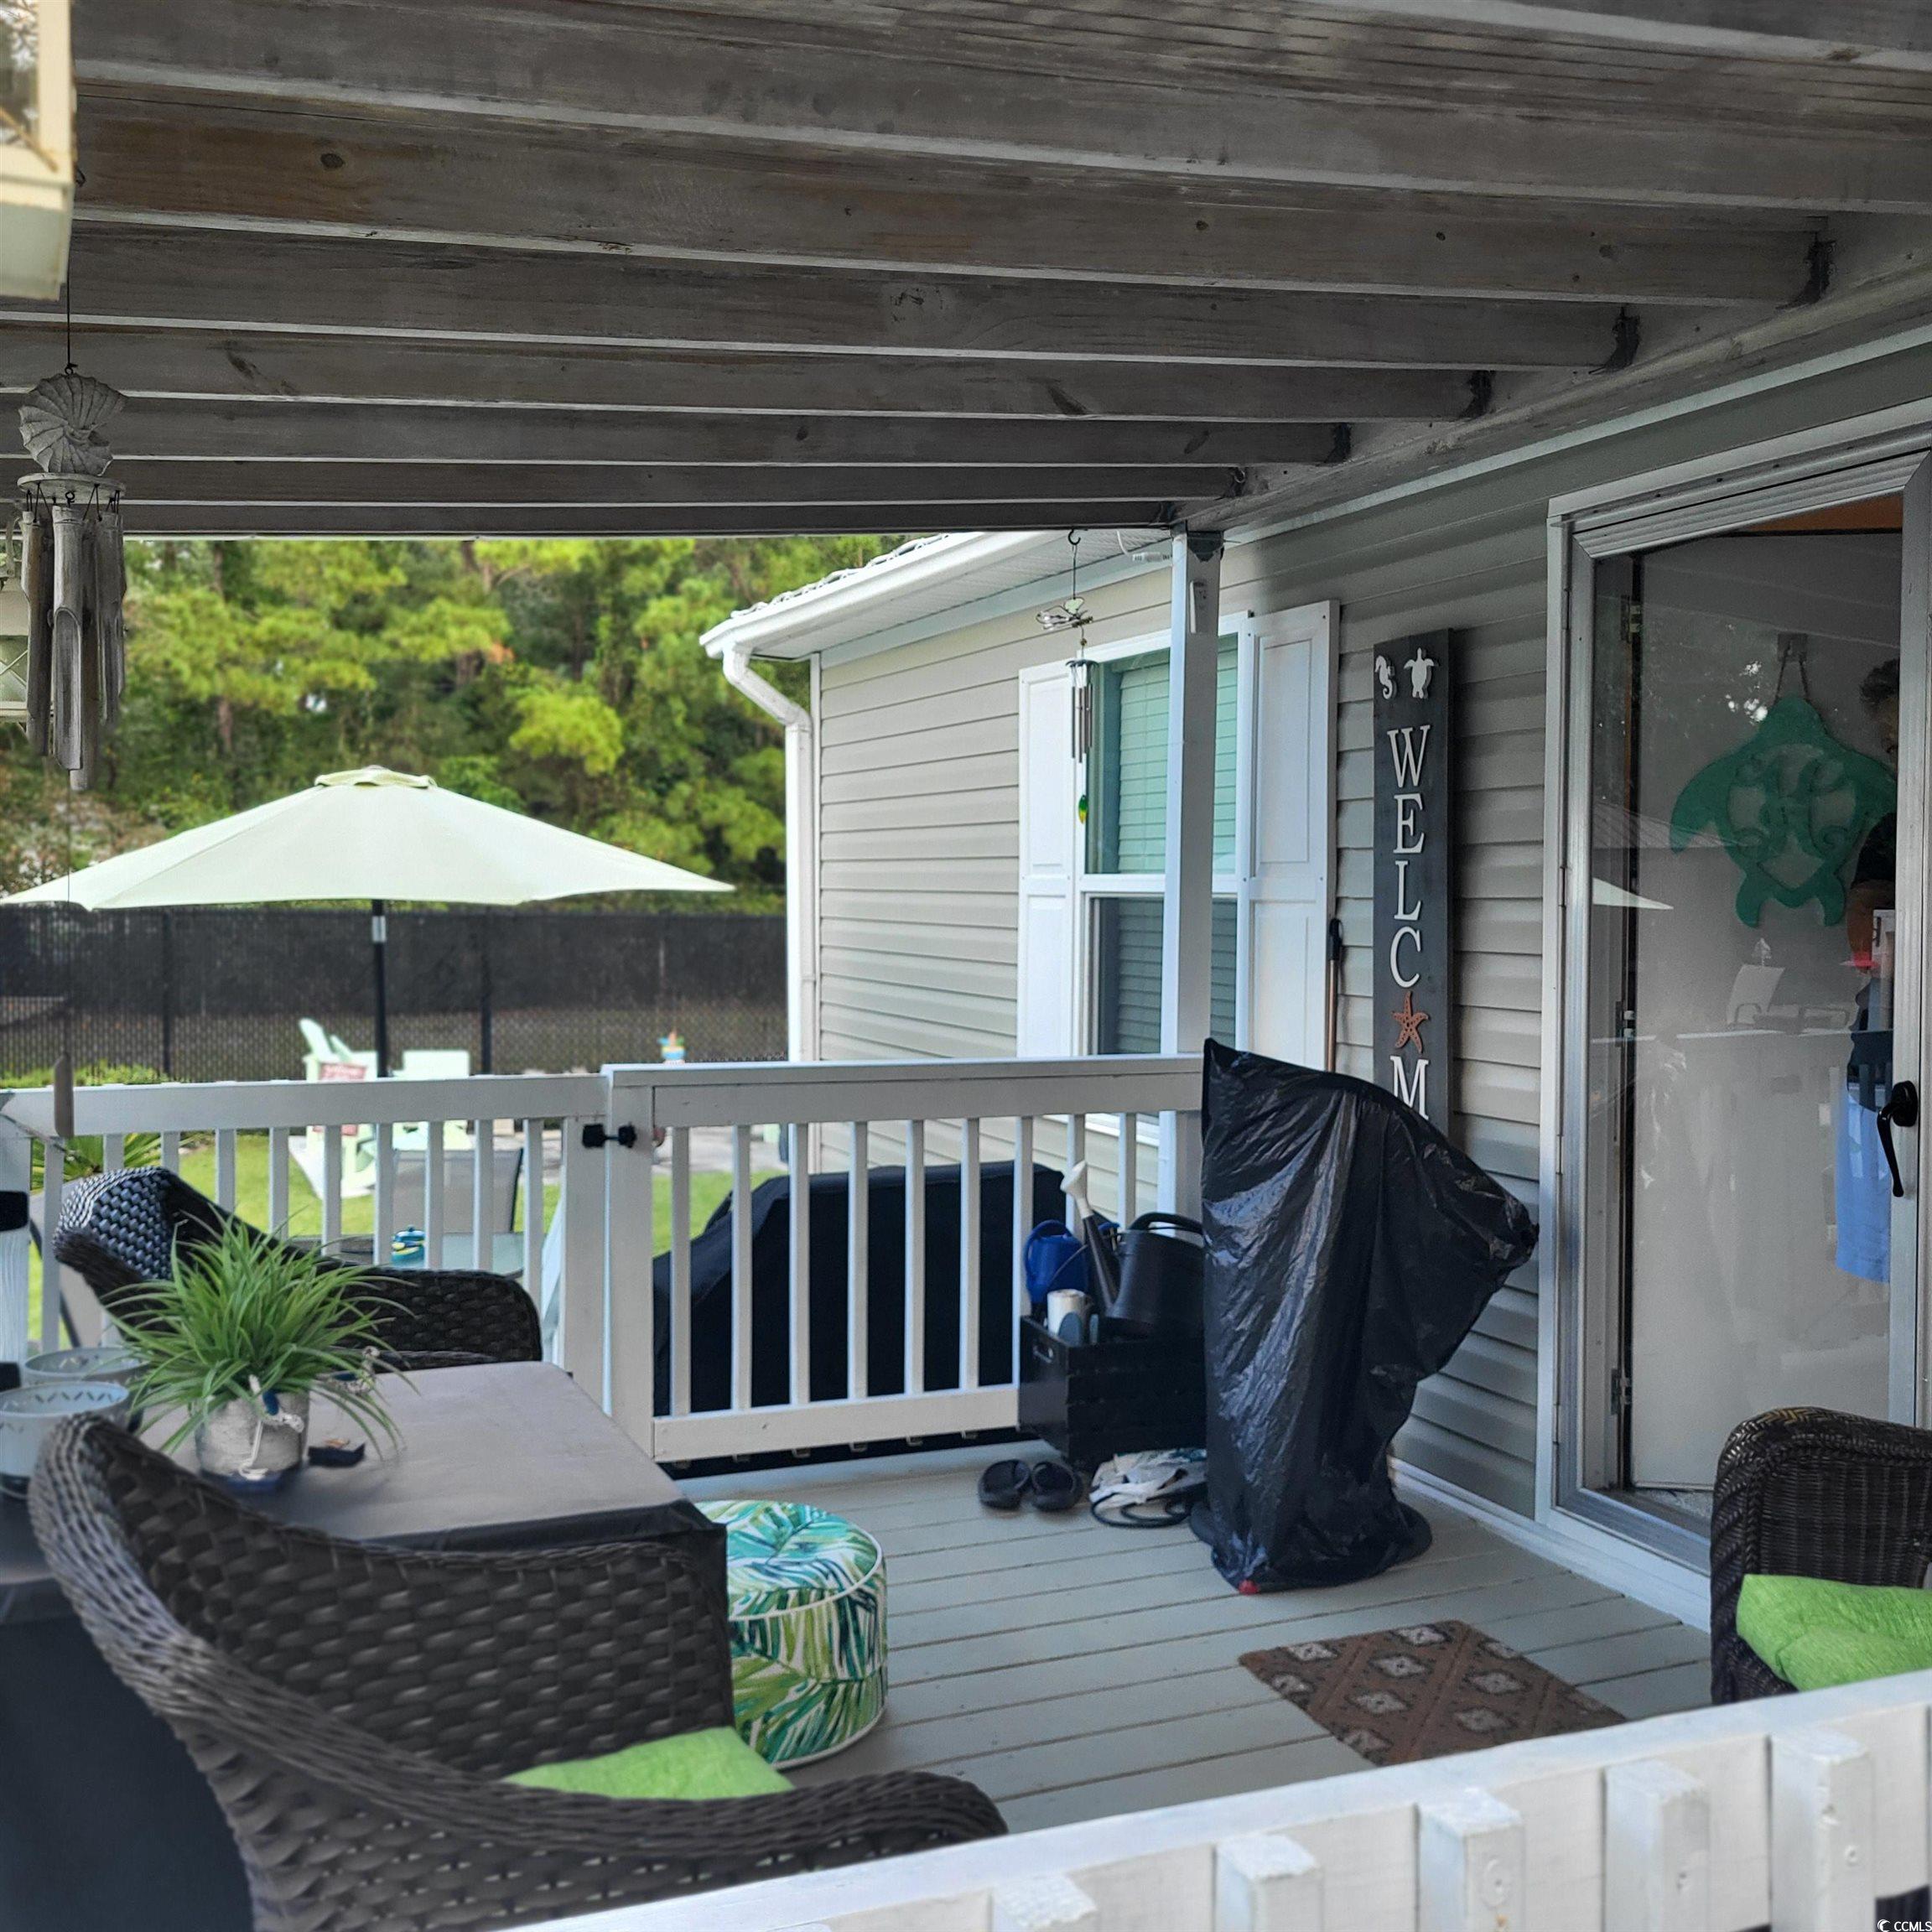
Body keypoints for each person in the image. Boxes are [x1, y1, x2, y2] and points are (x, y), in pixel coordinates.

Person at [1837, 657, 1898, 1282]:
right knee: (1895, 1241)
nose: (1906, 760)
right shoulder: (1895, 833)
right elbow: (1867, 942)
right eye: (1893, 747)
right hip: (1892, 1055)